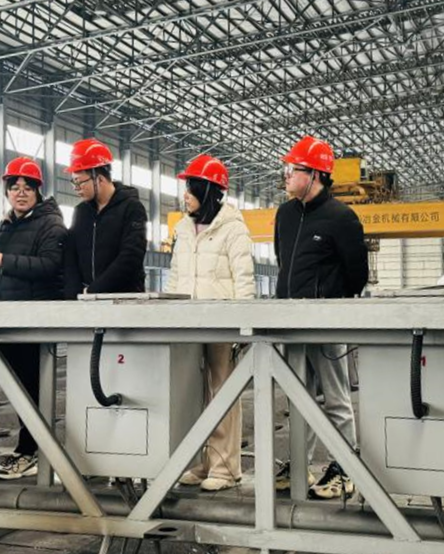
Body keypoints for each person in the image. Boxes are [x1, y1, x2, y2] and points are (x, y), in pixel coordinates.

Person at [273, 135, 369, 500]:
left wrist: (330, 303)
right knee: (299, 397)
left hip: (326, 324)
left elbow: (357, 275)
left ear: (314, 174)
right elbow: (284, 262)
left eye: (292, 169)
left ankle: (345, 469)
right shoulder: (285, 215)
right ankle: (301, 464)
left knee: (336, 398)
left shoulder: (341, 218)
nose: (286, 175)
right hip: (292, 323)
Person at [167, 154, 254, 491]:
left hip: (221, 325)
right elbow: (175, 278)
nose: (185, 195)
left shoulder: (233, 228)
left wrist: (243, 324)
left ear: (207, 191)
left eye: (191, 188)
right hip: (188, 324)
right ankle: (200, 462)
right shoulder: (183, 228)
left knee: (222, 394)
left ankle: (225, 468)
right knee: (192, 395)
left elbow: (244, 279)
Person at [0, 157, 67, 480]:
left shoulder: (50, 223)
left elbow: (51, 265)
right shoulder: (8, 224)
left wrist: (6, 261)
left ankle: (30, 451)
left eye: (27, 188)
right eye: (14, 187)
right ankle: (29, 449)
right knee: (17, 389)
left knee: (31, 389)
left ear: (38, 191)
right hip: (7, 319)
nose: (20, 193)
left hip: (32, 320)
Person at [63, 139, 148, 298]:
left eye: (80, 182)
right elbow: (71, 256)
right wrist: (74, 295)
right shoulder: (80, 212)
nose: (76, 188)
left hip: (125, 299)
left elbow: (131, 256)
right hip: (87, 300)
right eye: (73, 182)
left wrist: (95, 290)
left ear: (99, 179)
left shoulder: (131, 208)